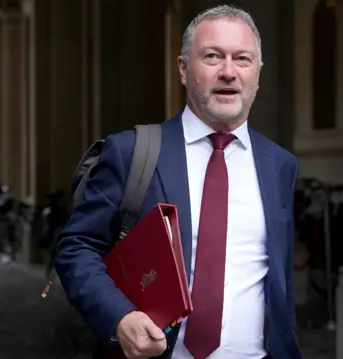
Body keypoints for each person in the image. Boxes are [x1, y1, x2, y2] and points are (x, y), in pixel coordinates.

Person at [54, 5, 302, 359]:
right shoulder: (131, 152)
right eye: (212, 56)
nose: (228, 72)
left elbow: (278, 281)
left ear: (258, 74)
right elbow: (77, 247)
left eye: (242, 59)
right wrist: (119, 318)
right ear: (183, 69)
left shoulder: (280, 165)